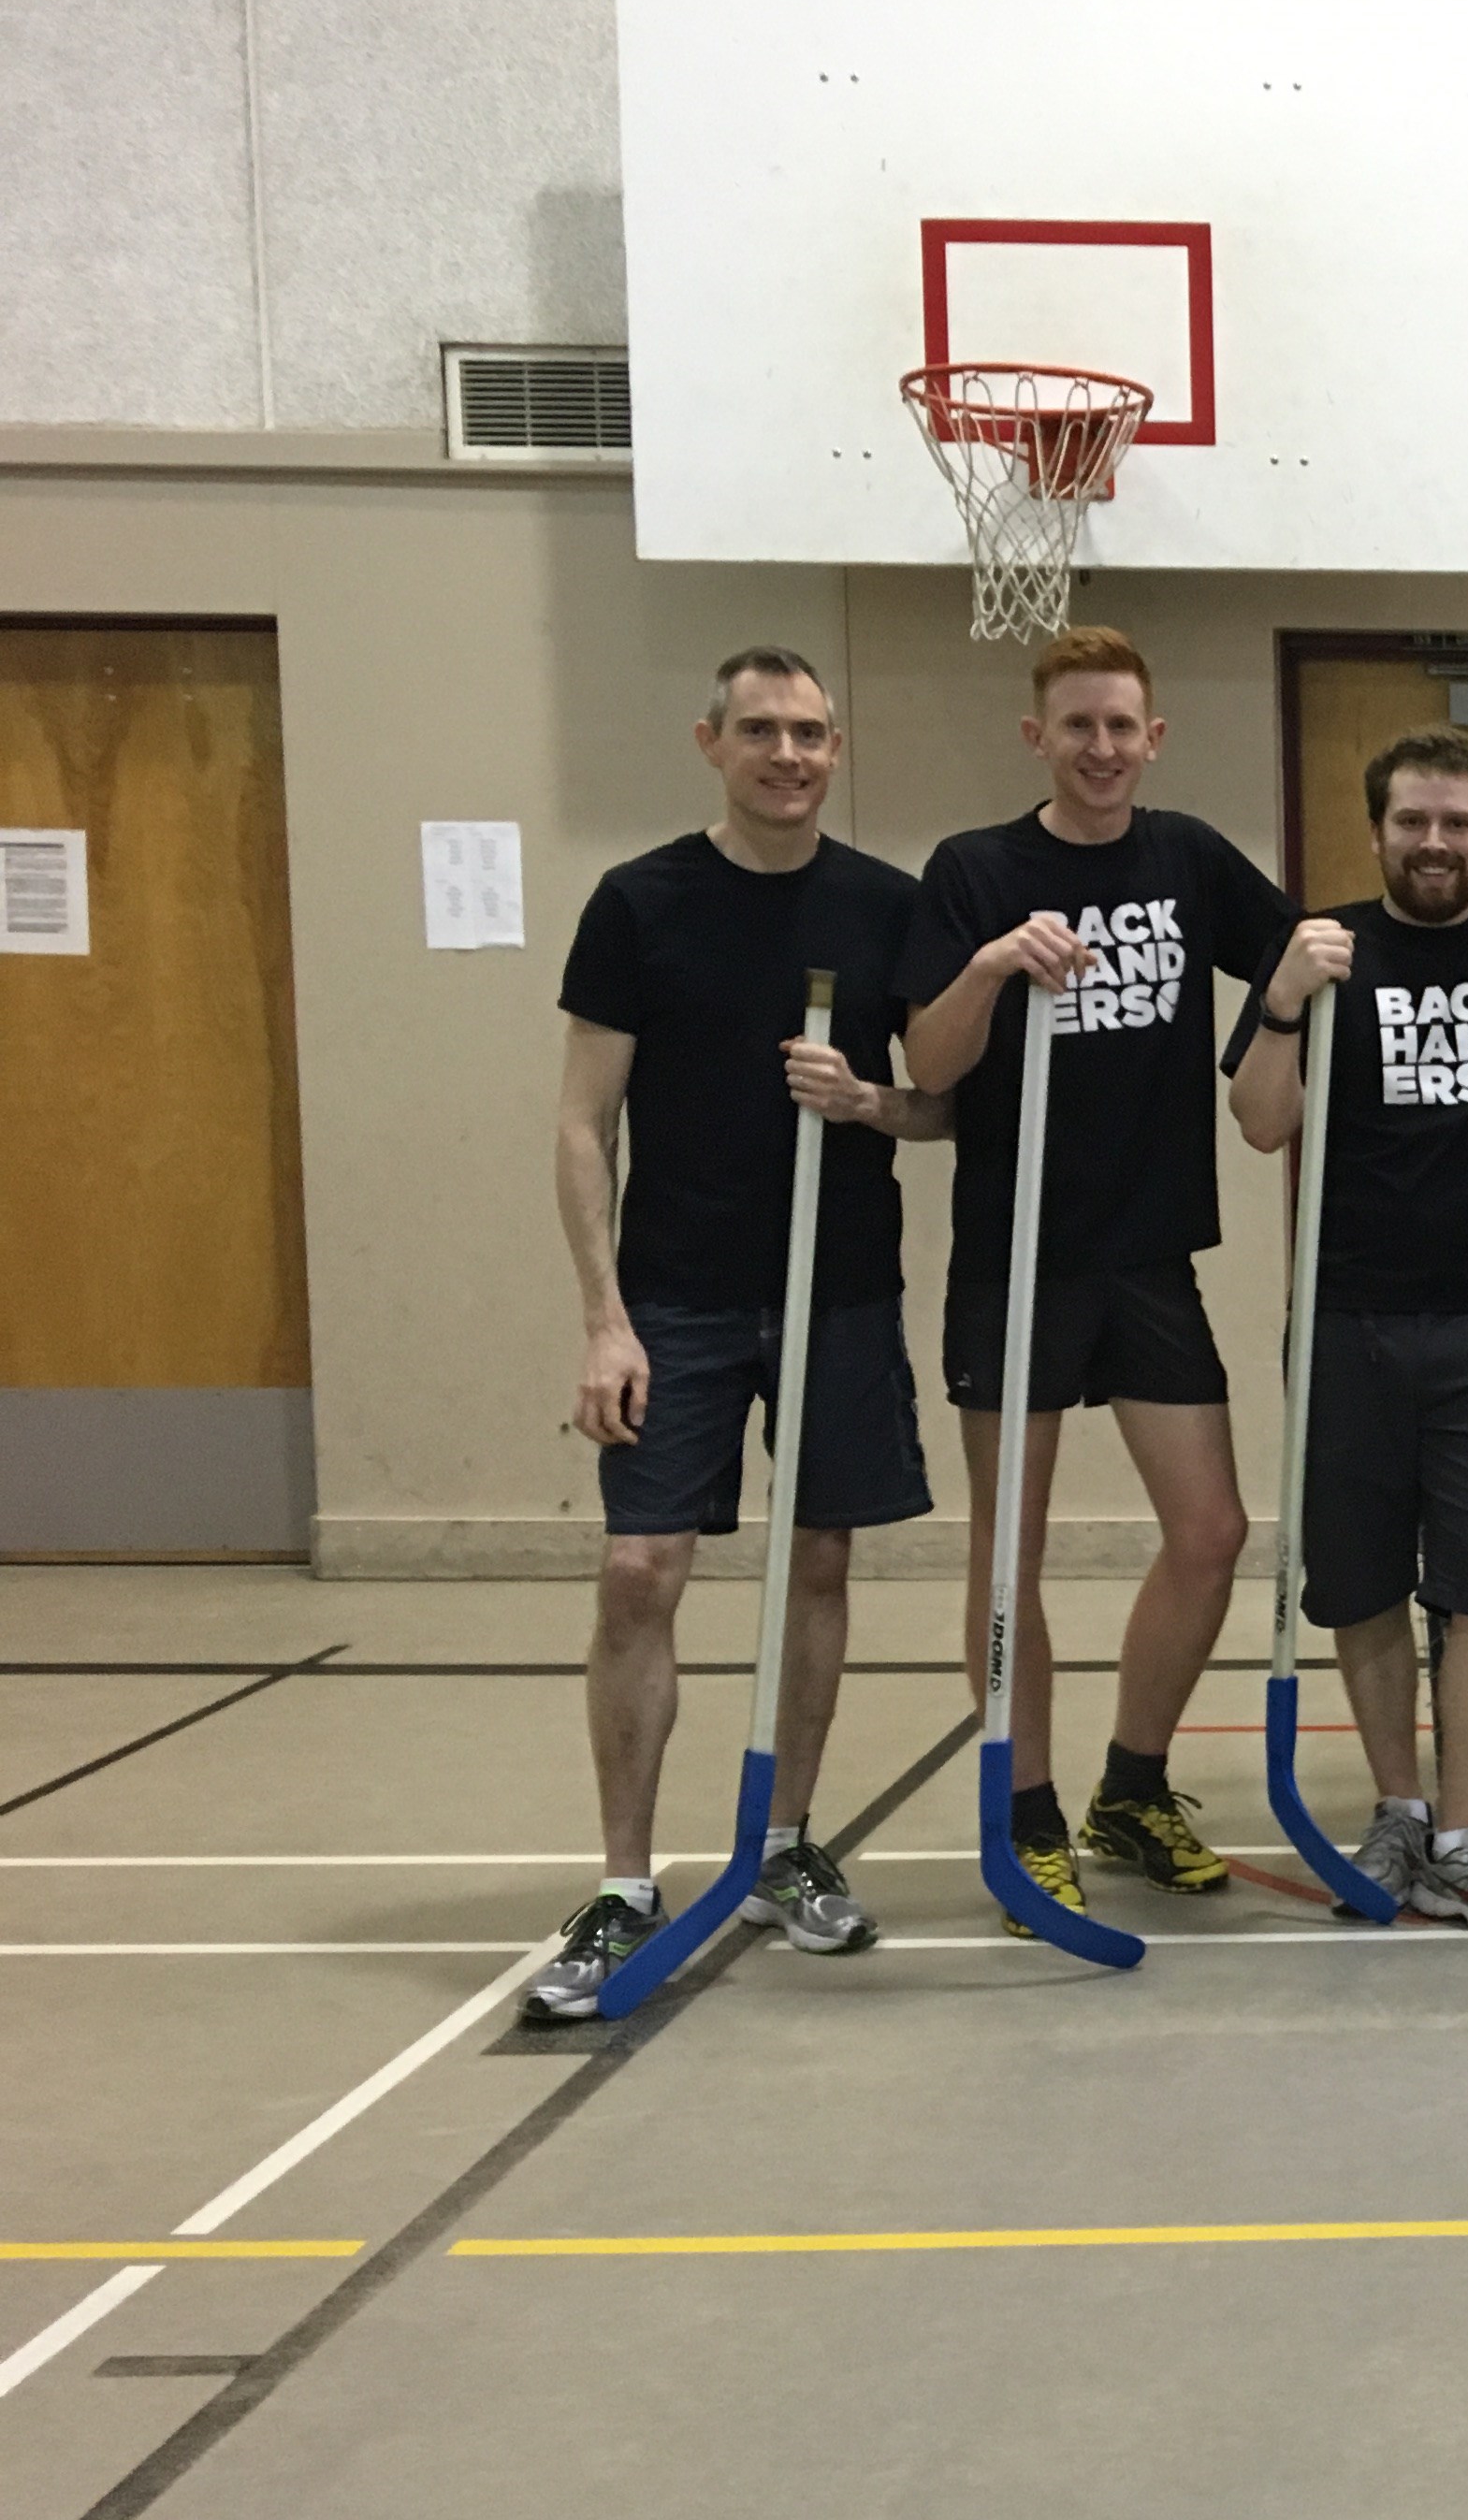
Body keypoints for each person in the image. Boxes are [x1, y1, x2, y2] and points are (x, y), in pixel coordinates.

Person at [524, 645, 943, 2018]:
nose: (788, 754)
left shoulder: (887, 908)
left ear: (837, 748)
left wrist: (869, 1099)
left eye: (811, 732)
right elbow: (584, 1123)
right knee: (641, 1570)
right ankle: (627, 1882)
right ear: (711, 740)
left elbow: (946, 1104)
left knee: (813, 1565)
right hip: (679, 1301)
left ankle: (783, 1845)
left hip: (838, 1292)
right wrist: (605, 1321)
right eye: (760, 730)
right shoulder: (640, 902)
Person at [896, 626, 1326, 1931]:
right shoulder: (976, 871)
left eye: (1119, 727)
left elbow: (1292, 953)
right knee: (1008, 1548)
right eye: (1075, 726)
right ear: (1039, 736)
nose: (1099, 748)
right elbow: (927, 1065)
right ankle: (1023, 1808)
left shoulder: (1186, 858)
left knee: (1211, 1534)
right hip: (1017, 1257)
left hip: (1148, 1254)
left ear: (1154, 737)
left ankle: (1130, 1790)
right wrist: (988, 966)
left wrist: (1295, 989)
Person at [1226, 730, 1468, 1944]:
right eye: (1413, 822)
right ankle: (1397, 1807)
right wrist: (1278, 1004)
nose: (1436, 843)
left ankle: (1467, 1839)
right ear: (1376, 829)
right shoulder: (1320, 948)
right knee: (1363, 1585)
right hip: (1341, 1324)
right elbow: (1262, 1127)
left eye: (1458, 823)